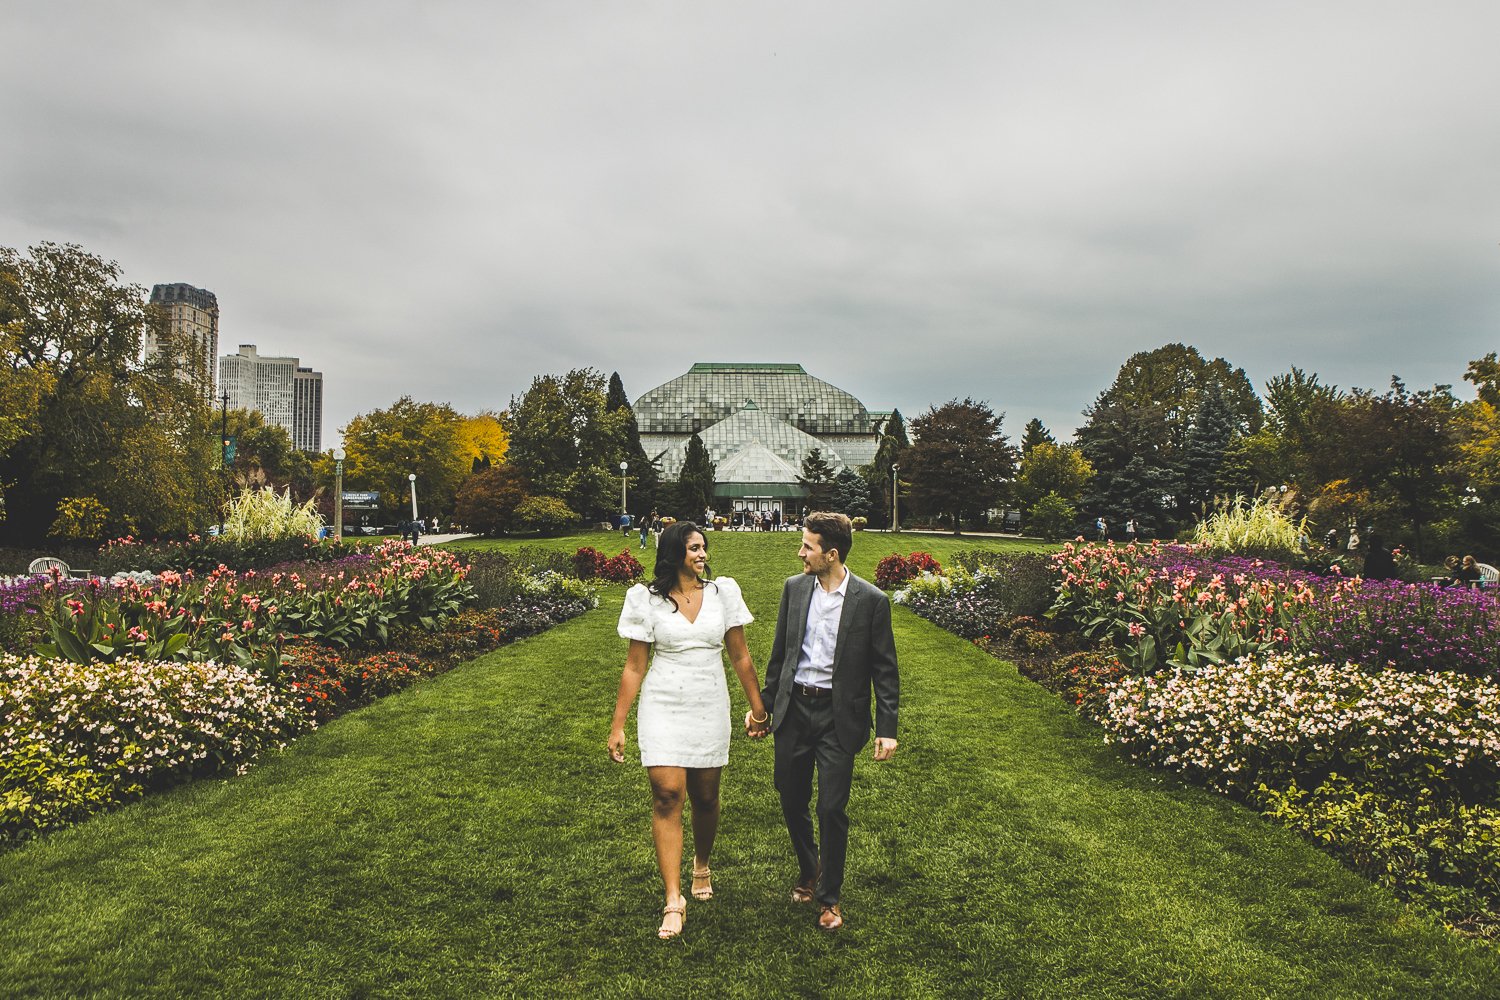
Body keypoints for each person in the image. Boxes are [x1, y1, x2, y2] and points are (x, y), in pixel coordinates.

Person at [608, 521, 768, 940]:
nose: (702, 554)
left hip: (708, 702)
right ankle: (673, 899)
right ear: (675, 552)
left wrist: (758, 709)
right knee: (667, 795)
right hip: (663, 703)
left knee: (706, 795)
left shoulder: (723, 594)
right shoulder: (645, 599)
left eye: (704, 547)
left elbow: (741, 657)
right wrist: (618, 725)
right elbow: (634, 665)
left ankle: (701, 864)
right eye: (694, 548)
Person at [758, 511, 899, 932]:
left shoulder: (871, 601)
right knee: (790, 796)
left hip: (840, 718)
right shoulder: (794, 589)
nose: (800, 552)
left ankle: (829, 897)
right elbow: (780, 657)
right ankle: (809, 866)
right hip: (794, 710)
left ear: (831, 554)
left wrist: (887, 728)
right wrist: (764, 707)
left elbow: (885, 670)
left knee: (832, 807)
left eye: (808, 547)